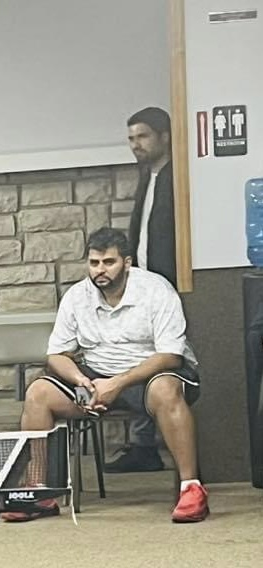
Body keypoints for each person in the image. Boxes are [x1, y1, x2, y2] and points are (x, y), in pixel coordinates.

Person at [5, 227, 207, 524]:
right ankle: (38, 491)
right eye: (94, 263)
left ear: (127, 263)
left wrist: (117, 383)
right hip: (94, 376)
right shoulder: (77, 296)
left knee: (165, 389)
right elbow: (57, 354)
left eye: (109, 262)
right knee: (38, 393)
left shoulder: (156, 290)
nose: (100, 270)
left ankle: (191, 489)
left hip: (150, 372)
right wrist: (81, 382)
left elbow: (170, 355)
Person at [110, 106, 178, 474]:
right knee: (137, 359)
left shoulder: (177, 177)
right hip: (144, 284)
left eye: (143, 136)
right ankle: (143, 446)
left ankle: (158, 445)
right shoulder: (146, 175)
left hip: (172, 287)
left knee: (162, 364)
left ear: (165, 136)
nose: (136, 144)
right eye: (131, 138)